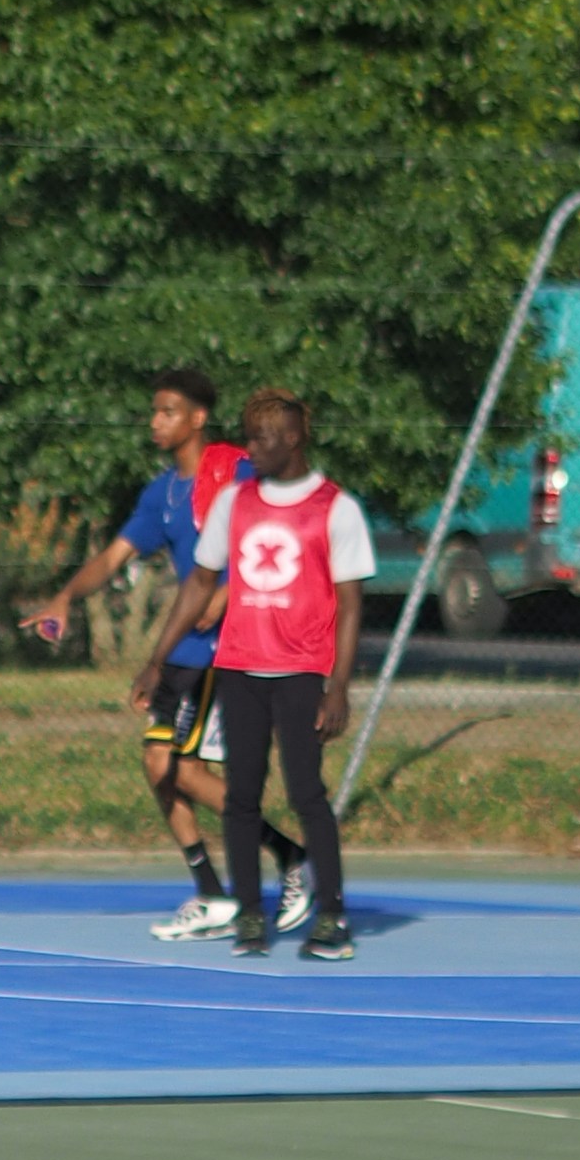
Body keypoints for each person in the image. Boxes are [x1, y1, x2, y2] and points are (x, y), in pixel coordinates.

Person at [21, 373, 308, 945]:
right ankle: (224, 888)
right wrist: (65, 596)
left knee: (172, 765)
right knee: (165, 768)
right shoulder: (163, 494)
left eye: (168, 411)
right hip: (185, 649)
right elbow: (113, 556)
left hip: (227, 647)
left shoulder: (237, 473)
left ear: (197, 418)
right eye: (154, 411)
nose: (155, 421)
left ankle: (288, 858)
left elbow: (282, 534)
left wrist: (228, 594)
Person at [141, 387, 368, 966]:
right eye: (248, 435)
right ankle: (248, 914)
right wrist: (158, 656)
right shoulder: (235, 502)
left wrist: (338, 685)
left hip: (300, 671)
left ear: (293, 438)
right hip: (240, 667)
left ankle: (333, 915)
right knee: (241, 795)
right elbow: (200, 582)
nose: (251, 448)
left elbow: (348, 604)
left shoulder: (335, 507)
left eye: (263, 438)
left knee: (306, 793)